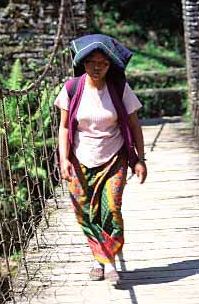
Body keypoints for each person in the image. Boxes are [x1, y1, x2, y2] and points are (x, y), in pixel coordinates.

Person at [54, 34, 147, 285]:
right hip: (80, 160)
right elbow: (64, 128)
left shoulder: (119, 88)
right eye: (91, 62)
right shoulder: (72, 88)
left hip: (114, 157)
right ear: (82, 63)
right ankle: (99, 260)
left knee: (111, 209)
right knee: (86, 213)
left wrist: (139, 159)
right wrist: (64, 160)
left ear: (111, 65)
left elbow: (134, 125)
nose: (97, 67)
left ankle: (109, 265)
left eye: (103, 63)